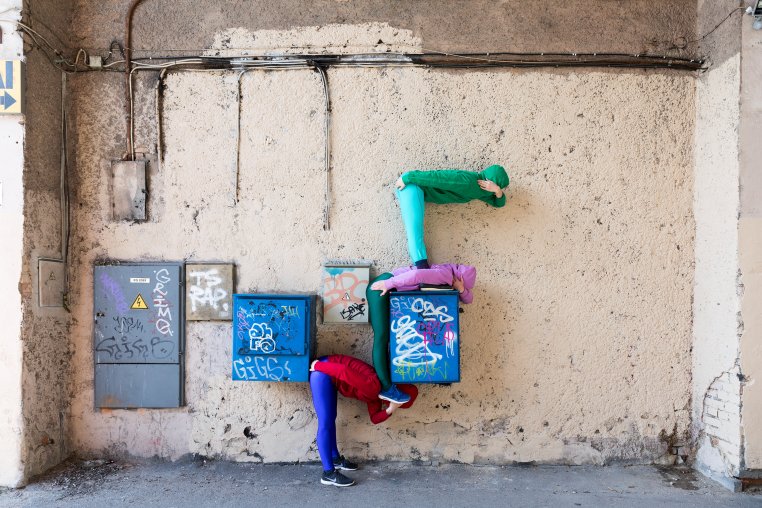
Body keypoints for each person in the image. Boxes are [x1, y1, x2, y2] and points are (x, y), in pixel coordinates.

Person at [366, 263, 476, 404]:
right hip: (381, 288)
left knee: (385, 338)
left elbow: (469, 299)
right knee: (381, 338)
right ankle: (386, 388)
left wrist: (461, 289)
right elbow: (416, 275)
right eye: (466, 286)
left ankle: (387, 385)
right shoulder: (445, 275)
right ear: (461, 278)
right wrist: (388, 283)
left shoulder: (449, 275)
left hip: (388, 290)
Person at [309, 354, 418, 487]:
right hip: (323, 372)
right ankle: (328, 473)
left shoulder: (377, 395)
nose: (391, 404)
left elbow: (374, 418)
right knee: (325, 423)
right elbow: (344, 371)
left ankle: (335, 460)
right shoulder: (374, 386)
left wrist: (390, 410)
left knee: (331, 418)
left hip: (330, 376)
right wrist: (317, 365)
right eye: (397, 403)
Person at [395, 164, 509, 268]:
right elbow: (439, 177)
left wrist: (497, 190)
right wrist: (408, 177)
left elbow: (499, 203)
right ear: (489, 181)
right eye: (497, 186)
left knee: (414, 230)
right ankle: (422, 270)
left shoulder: (481, 191)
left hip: (414, 187)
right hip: (411, 185)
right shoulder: (468, 182)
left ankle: (422, 270)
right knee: (414, 231)